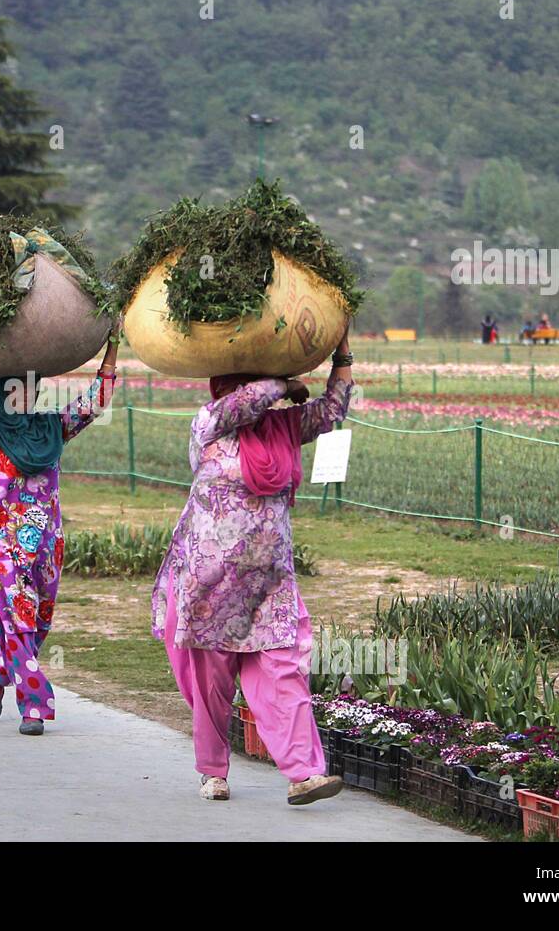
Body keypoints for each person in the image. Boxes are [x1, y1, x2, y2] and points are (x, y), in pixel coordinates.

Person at [151, 326, 355, 804]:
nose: (256, 396)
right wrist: (282, 383)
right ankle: (213, 772)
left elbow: (333, 411)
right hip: (211, 585)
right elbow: (248, 401)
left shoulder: (283, 429)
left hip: (269, 584)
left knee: (285, 673)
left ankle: (304, 773)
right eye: (248, 385)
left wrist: (342, 351)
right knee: (212, 686)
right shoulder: (210, 423)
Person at [0, 318, 119, 736]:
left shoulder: (53, 429)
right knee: (20, 621)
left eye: (29, 388)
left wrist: (113, 342)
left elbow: (97, 400)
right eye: (15, 390)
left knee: (37, 626)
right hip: (0, 544)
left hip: (46, 544)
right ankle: (35, 708)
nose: (25, 395)